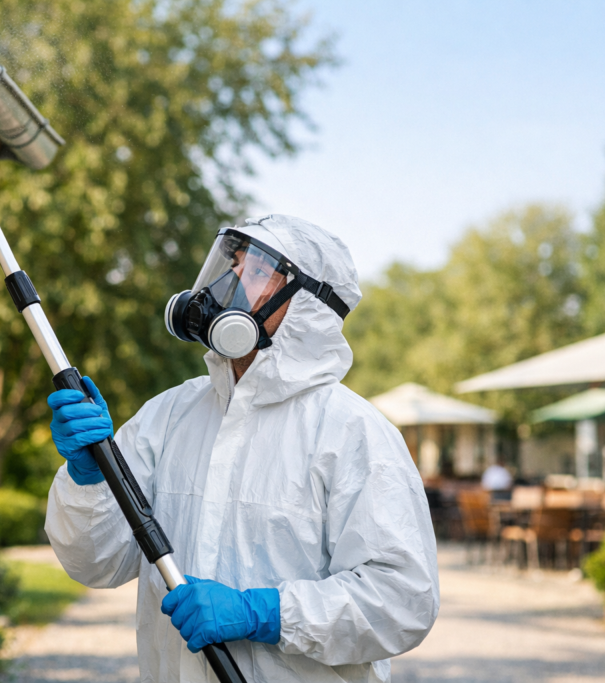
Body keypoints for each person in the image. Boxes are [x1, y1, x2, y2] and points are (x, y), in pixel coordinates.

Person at [44, 215, 439, 682]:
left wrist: (265, 614)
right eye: (232, 263)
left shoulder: (353, 431)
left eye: (256, 270)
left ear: (306, 303)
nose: (229, 279)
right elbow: (96, 564)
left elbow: (402, 599)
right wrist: (90, 479)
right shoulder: (168, 415)